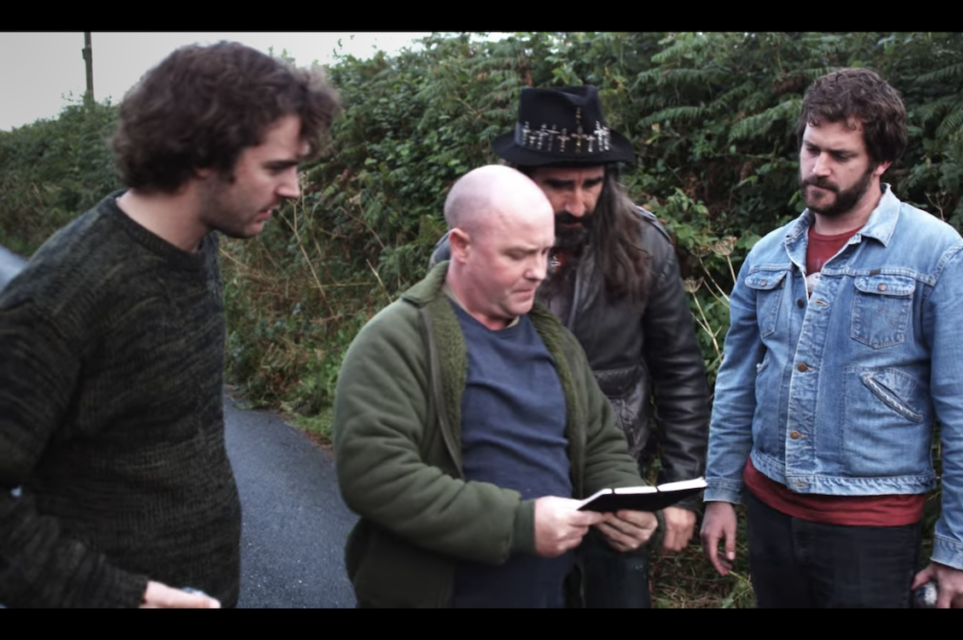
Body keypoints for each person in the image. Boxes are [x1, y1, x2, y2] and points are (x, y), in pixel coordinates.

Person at [0, 41, 339, 608]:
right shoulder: (63, 296)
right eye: (277, 167)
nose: (293, 189)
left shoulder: (196, 243)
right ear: (204, 155)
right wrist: (120, 595)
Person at [699, 67, 963, 608]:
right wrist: (720, 492)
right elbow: (736, 384)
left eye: (840, 156)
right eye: (811, 148)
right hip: (771, 512)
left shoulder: (937, 256)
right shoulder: (768, 255)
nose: (818, 168)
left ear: (881, 161)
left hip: (871, 528)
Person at [429, 85, 710, 607]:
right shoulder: (462, 250)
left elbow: (680, 372)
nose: (578, 204)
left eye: (592, 183)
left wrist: (683, 491)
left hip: (613, 488)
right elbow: (441, 376)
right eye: (559, 185)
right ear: (523, 177)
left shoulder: (645, 245)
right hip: (504, 489)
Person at [334, 164, 661, 608]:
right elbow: (375, 476)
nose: (539, 272)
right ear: (461, 246)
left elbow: (601, 444)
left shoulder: (555, 341)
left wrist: (627, 502)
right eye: (517, 255)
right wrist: (519, 525)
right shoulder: (398, 340)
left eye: (545, 253)